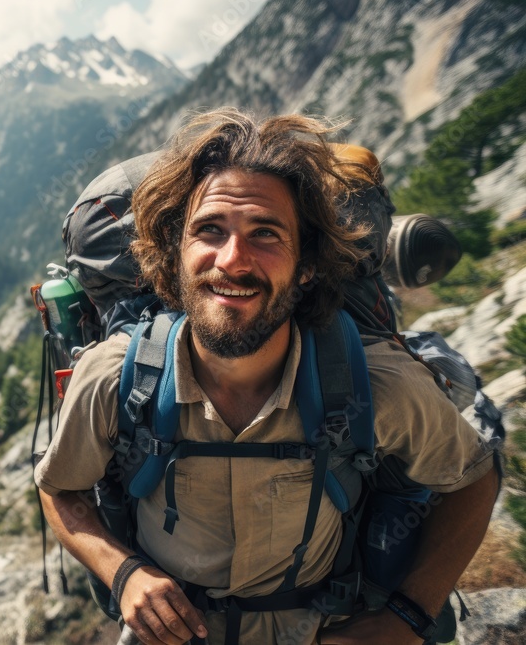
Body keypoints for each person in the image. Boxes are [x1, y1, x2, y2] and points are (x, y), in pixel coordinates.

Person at [33, 108, 500, 645]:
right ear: (173, 255)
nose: (233, 260)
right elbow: (60, 487)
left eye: (266, 233)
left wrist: (410, 614)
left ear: (306, 265)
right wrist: (123, 572)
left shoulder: (376, 383)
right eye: (210, 230)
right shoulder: (115, 378)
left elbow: (474, 479)